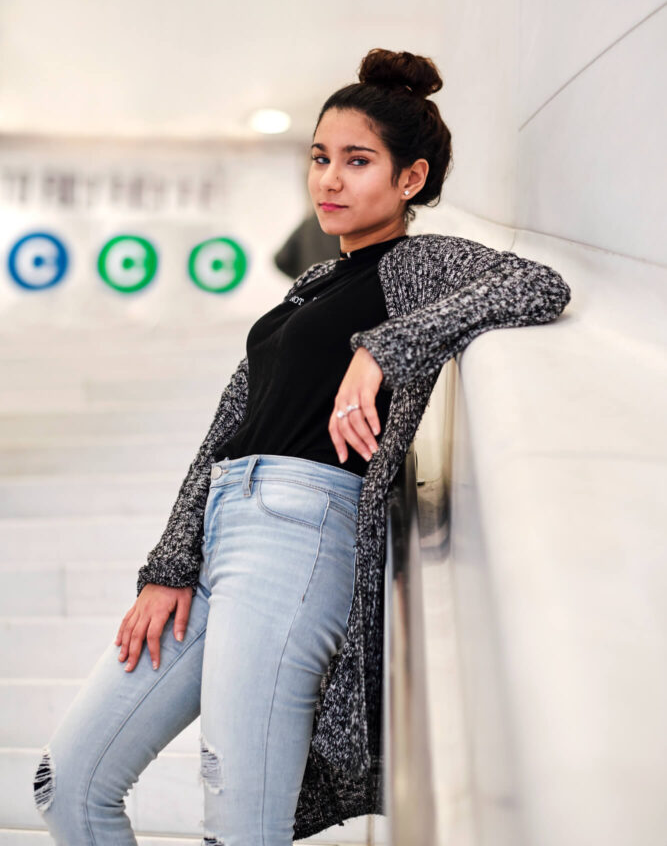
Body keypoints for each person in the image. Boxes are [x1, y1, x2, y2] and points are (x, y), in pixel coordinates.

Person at [32, 48, 572, 845]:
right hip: (222, 535)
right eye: (320, 158)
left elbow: (539, 286)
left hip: (299, 537)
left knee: (239, 817)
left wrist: (387, 346)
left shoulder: (417, 263)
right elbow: (222, 436)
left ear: (410, 180)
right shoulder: (307, 291)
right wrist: (169, 566)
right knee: (69, 782)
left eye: (357, 162)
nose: (328, 179)